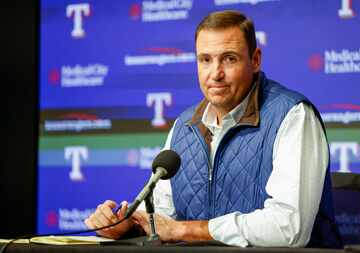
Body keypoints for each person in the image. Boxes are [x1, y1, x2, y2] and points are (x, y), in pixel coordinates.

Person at [85, 10, 342, 248]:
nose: (215, 73)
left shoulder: (292, 116)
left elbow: (289, 228)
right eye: (205, 60)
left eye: (229, 59)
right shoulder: (184, 128)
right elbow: (164, 218)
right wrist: (128, 225)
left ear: (255, 60)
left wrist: (186, 231)